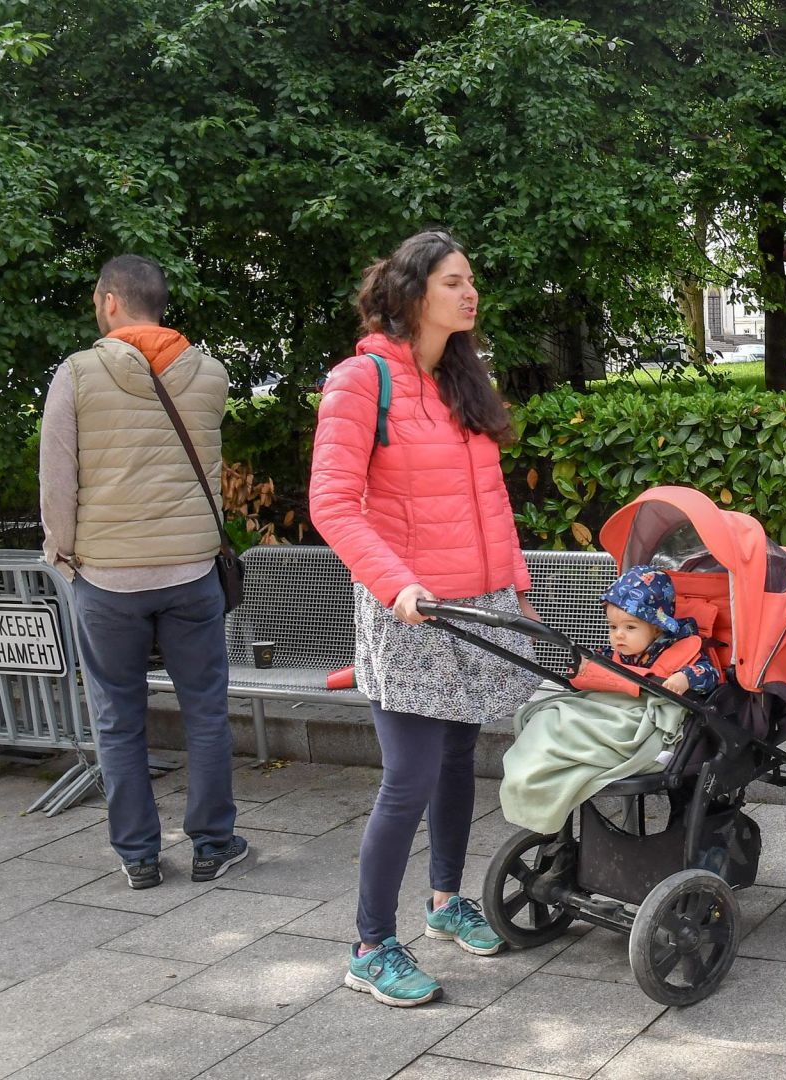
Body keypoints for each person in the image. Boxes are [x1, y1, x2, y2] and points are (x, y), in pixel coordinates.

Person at [309, 230, 545, 1006]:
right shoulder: (359, 381)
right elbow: (334, 505)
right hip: (409, 611)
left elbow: (491, 503)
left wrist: (514, 585)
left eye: (470, 280)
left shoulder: (461, 383)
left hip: (473, 608)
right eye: (452, 282)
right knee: (406, 779)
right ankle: (370, 945)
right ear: (412, 293)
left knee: (455, 764)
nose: (469, 293)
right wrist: (397, 585)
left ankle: (445, 902)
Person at [39, 254, 249, 891]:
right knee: (206, 712)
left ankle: (138, 856)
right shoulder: (210, 375)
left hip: (107, 578)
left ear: (109, 302)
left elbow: (58, 480)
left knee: (117, 717)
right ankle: (214, 844)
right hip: (191, 572)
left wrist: (64, 555)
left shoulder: (77, 374)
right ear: (159, 303)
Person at [598, 566, 720, 697]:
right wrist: (585, 661)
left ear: (657, 629)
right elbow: (598, 658)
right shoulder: (615, 654)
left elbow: (711, 674)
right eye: (613, 627)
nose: (618, 634)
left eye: (630, 627)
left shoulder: (677, 648)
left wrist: (686, 678)